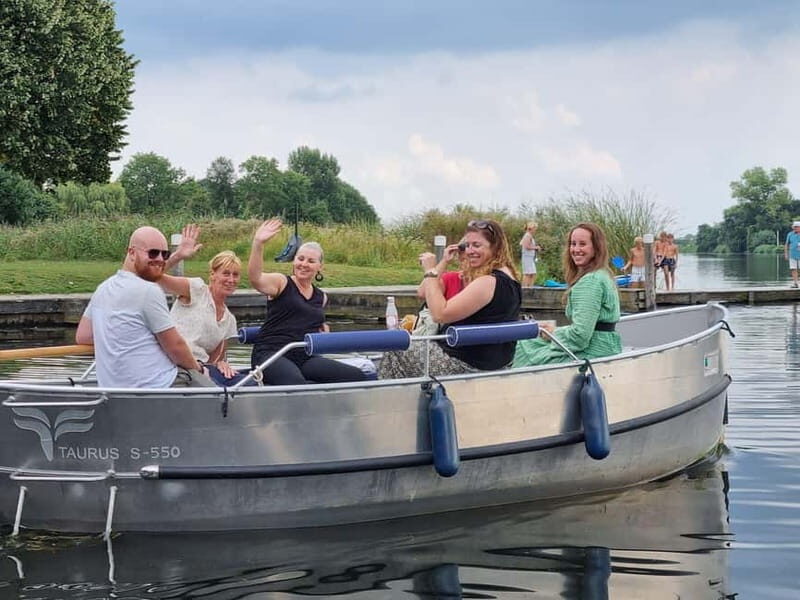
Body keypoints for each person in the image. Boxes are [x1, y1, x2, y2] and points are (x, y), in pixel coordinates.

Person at [379, 219, 522, 378]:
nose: (469, 251)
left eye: (477, 245)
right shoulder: (512, 280)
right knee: (403, 344)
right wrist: (444, 262)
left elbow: (440, 314)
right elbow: (423, 292)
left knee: (394, 340)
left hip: (463, 364)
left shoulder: (487, 282)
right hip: (493, 362)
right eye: (467, 246)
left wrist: (431, 271)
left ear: (495, 246)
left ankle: (391, 397)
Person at [75, 226, 214, 388]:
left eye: (165, 254)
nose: (161, 259)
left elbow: (83, 336)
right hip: (157, 385)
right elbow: (176, 346)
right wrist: (199, 369)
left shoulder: (103, 289)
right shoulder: (149, 291)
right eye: (153, 253)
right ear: (132, 252)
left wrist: (122, 339)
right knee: (218, 394)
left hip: (114, 389)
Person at [248, 218, 368, 385]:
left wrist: (322, 332)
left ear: (320, 266)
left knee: (357, 376)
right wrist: (258, 244)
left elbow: (313, 323)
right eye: (300, 258)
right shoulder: (281, 283)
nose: (304, 264)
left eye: (311, 261)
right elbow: (255, 279)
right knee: (297, 384)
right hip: (271, 353)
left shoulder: (321, 297)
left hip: (303, 357)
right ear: (294, 260)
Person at [512, 223, 622, 366]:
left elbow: (580, 336)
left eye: (582, 244)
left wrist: (552, 333)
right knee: (532, 342)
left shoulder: (590, 282)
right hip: (606, 346)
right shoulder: (603, 274)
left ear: (596, 248)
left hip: (593, 351)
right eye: (573, 244)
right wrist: (555, 331)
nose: (576, 249)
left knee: (522, 347)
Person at [157, 224, 248, 386]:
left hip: (200, 370)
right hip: (174, 365)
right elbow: (155, 276)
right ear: (213, 275)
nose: (231, 280)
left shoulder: (229, 320)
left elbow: (216, 360)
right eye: (226, 273)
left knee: (248, 383)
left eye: (235, 275)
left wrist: (221, 364)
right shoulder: (196, 289)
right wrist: (178, 255)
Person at [520, 222, 542, 288]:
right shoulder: (527, 235)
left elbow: (523, 244)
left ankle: (529, 287)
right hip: (527, 257)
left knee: (532, 274)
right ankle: (525, 288)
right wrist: (536, 247)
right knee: (527, 274)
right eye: (535, 228)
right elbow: (526, 246)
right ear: (532, 228)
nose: (535, 230)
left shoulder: (529, 236)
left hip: (530, 258)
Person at [785, 221, 800, 288]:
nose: (795, 228)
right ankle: (795, 283)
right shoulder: (790, 234)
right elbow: (786, 244)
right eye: (794, 227)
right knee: (793, 269)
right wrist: (786, 254)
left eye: (796, 227)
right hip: (792, 254)